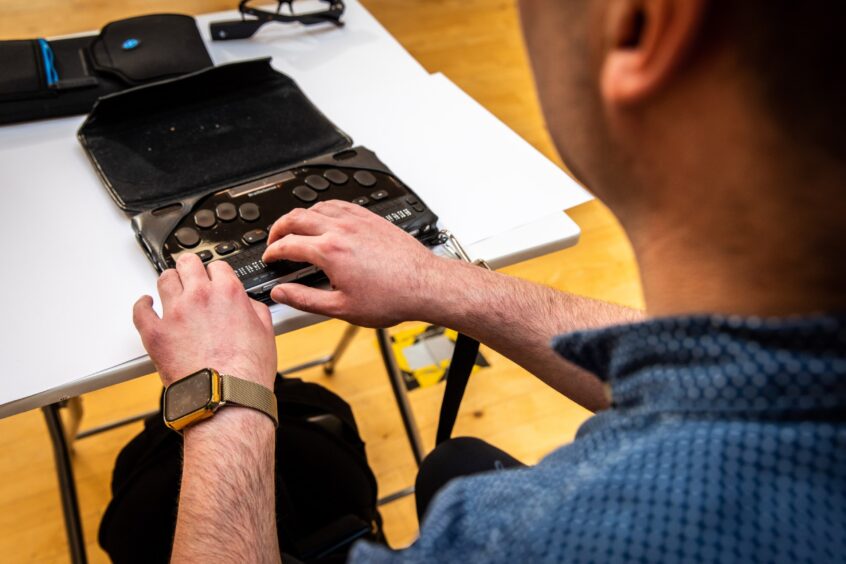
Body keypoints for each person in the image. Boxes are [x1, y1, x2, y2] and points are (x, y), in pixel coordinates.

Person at [131, 0, 846, 562]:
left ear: (636, 28)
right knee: (459, 462)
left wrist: (223, 397)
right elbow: (718, 369)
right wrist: (446, 285)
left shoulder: (550, 538)